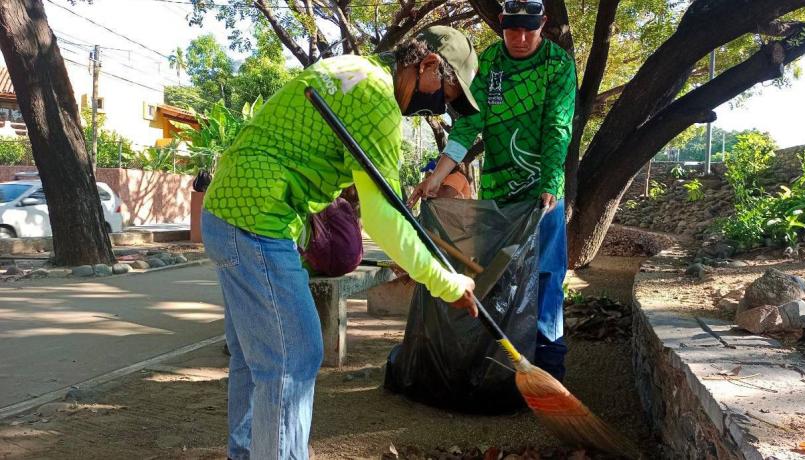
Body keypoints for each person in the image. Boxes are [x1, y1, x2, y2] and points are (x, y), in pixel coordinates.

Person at [201, 26, 480, 460]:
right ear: (427, 65)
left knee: (256, 356)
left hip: (230, 209)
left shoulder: (353, 70)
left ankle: (249, 452)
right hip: (258, 218)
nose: (442, 108)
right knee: (294, 355)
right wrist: (446, 282)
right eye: (447, 93)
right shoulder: (377, 100)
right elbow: (385, 220)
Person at [408, 0, 577, 381]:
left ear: (543, 24)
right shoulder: (489, 66)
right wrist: (438, 174)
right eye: (512, 29)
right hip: (500, 195)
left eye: (528, 30)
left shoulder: (558, 65)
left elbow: (558, 127)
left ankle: (550, 366)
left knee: (548, 275)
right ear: (501, 23)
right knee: (496, 275)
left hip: (543, 194)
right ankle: (504, 365)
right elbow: (468, 126)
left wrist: (550, 182)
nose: (519, 38)